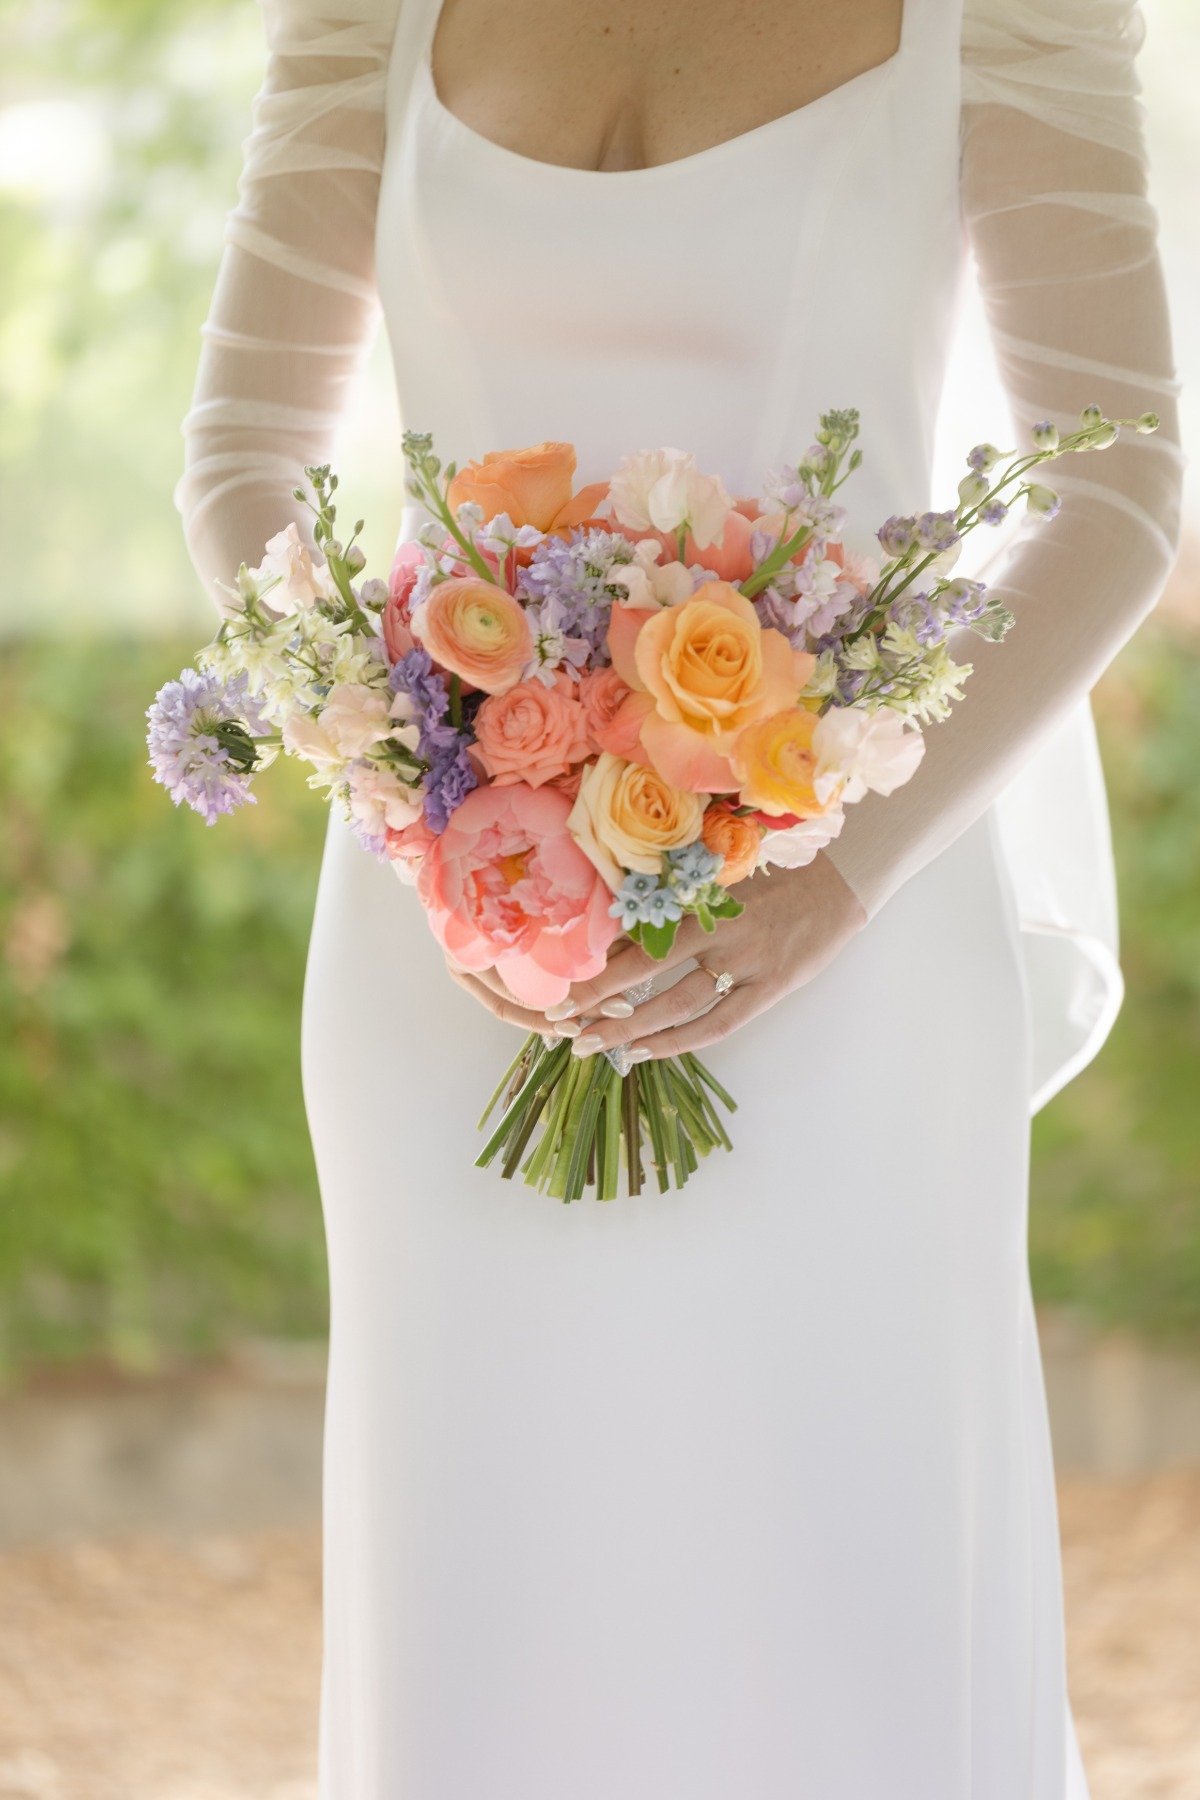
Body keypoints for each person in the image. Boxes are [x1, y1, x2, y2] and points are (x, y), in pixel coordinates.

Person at [175, 1, 1183, 1793]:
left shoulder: (1007, 17)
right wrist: (422, 789)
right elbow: (242, 456)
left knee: (845, 1575)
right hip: (450, 947)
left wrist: (842, 876)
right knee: (485, 1579)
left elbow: (1116, 490)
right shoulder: (366, 20)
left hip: (848, 933)